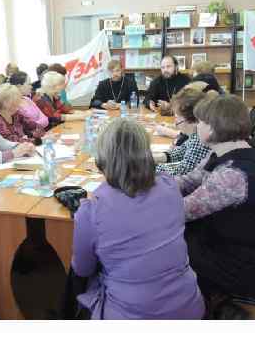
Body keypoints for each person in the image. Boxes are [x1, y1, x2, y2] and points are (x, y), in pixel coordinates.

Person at [71, 118, 205, 319]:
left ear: (101, 160)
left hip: (132, 314)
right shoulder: (169, 186)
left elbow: (82, 269)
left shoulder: (91, 211)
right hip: (188, 305)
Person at [176, 95, 255, 304]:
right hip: (241, 244)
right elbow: (190, 180)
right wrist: (154, 184)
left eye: (200, 122)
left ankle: (195, 305)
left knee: (170, 245)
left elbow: (180, 212)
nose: (196, 127)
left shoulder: (233, 176)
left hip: (252, 268)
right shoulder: (230, 152)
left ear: (213, 128)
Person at [154, 88, 218, 176]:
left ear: (191, 120)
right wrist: (152, 158)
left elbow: (184, 170)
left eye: (177, 117)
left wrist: (151, 166)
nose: (175, 123)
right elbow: (179, 152)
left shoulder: (201, 140)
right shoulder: (194, 135)